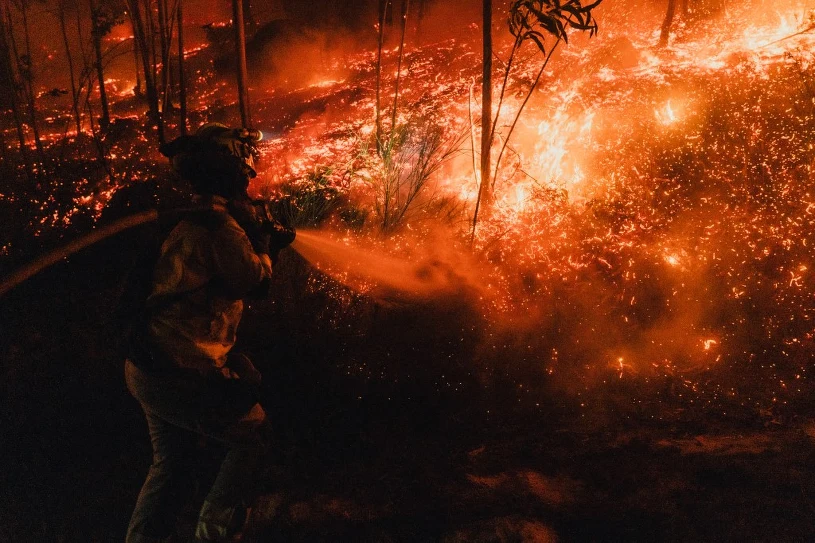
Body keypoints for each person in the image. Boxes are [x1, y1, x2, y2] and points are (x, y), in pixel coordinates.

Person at [125, 123, 290, 542]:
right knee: (252, 437)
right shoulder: (219, 230)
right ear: (231, 169)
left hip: (146, 365)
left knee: (172, 463)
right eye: (245, 169)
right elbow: (257, 283)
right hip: (179, 370)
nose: (250, 179)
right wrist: (266, 242)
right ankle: (215, 535)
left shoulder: (188, 217)